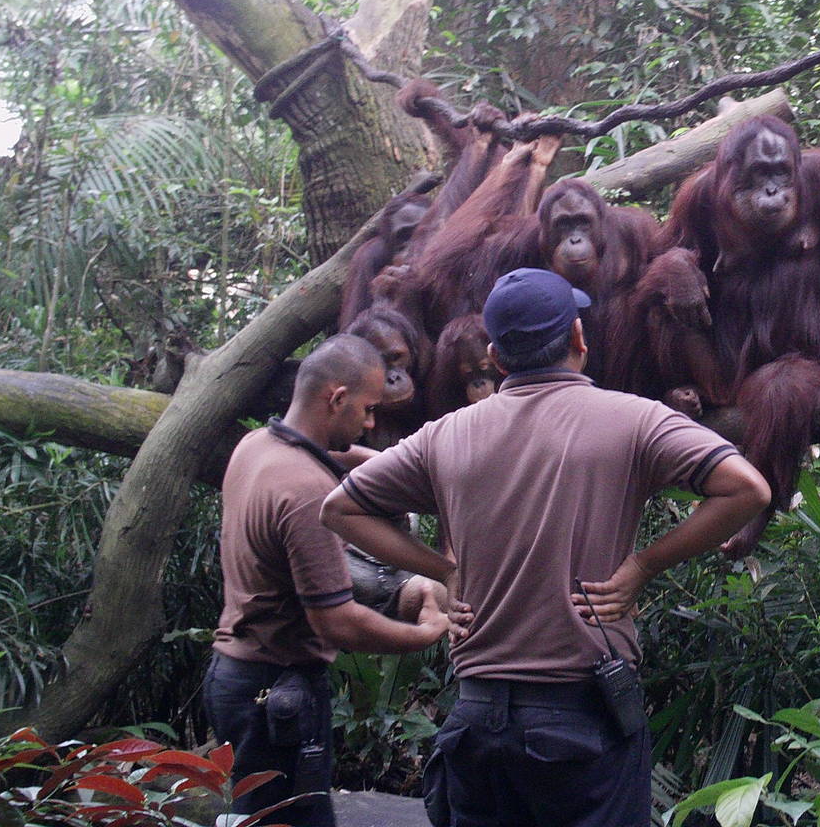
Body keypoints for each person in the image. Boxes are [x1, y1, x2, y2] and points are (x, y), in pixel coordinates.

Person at [321, 267, 771, 827]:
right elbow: (748, 488)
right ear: (579, 340)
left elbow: (339, 508)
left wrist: (442, 568)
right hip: (581, 720)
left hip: (477, 718)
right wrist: (643, 565)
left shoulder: (446, 434)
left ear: (498, 357)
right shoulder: (634, 419)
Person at [205, 333, 464, 827]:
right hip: (276, 693)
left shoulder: (257, 445)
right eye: (367, 410)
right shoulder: (307, 495)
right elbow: (337, 623)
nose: (371, 423)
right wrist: (423, 635)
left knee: (254, 816)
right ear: (337, 398)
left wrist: (393, 470)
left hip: (232, 676)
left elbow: (334, 460)